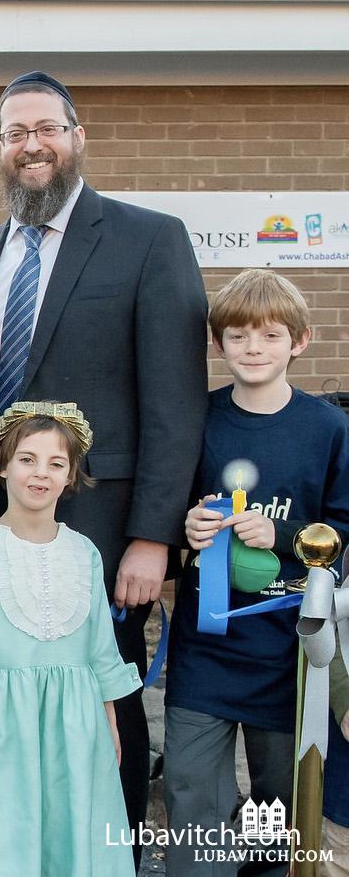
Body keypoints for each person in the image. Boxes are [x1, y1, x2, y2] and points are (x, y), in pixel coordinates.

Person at [0, 70, 209, 844]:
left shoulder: (148, 238)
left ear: (76, 137)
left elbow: (175, 399)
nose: (31, 144)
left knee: (109, 694)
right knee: (5, 688)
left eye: (46, 128)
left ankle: (109, 846)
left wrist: (151, 534)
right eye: (14, 132)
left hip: (105, 527)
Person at [163, 270, 349, 877]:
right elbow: (164, 508)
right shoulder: (199, 417)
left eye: (270, 337)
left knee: (280, 804)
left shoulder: (328, 428)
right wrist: (184, 529)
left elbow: (345, 529)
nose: (253, 350)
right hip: (206, 644)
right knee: (192, 792)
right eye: (239, 337)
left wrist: (290, 539)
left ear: (300, 341)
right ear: (218, 344)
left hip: (291, 652)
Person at [0, 402, 138, 876]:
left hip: (75, 723)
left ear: (70, 477)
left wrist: (110, 722)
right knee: (3, 838)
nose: (40, 473)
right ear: (1, 465)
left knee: (72, 833)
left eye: (56, 463)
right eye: (27, 459)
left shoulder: (84, 551)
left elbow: (101, 649)